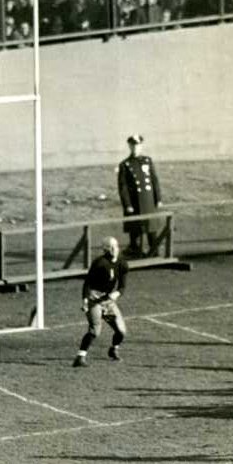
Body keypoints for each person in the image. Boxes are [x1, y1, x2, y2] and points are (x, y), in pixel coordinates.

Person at [74, 236, 128, 367]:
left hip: (108, 301)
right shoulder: (99, 263)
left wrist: (117, 293)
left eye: (115, 246)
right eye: (111, 247)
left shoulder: (122, 263)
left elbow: (122, 286)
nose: (114, 249)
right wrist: (85, 300)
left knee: (121, 331)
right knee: (95, 330)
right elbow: (87, 283)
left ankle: (113, 349)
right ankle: (80, 357)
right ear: (106, 249)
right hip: (95, 299)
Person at [117, 135, 163, 257]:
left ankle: (154, 252)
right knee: (135, 228)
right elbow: (123, 187)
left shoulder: (147, 161)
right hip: (134, 202)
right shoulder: (125, 164)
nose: (135, 148)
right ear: (129, 146)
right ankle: (135, 250)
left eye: (137, 145)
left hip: (148, 200)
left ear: (141, 146)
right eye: (132, 145)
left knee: (151, 226)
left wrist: (158, 198)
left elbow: (154, 180)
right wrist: (127, 204)